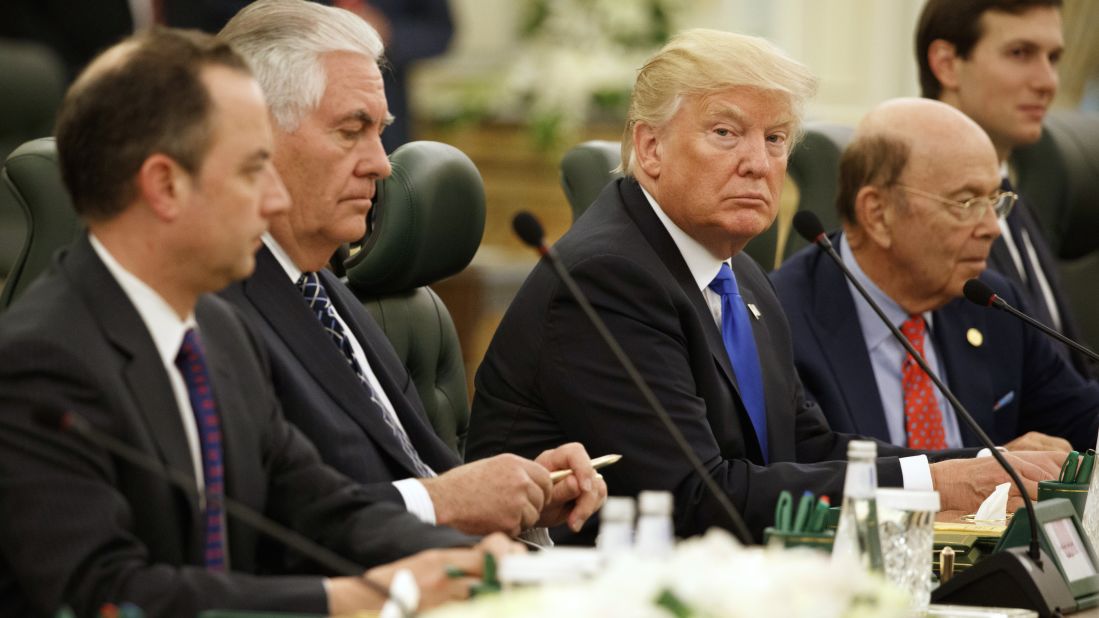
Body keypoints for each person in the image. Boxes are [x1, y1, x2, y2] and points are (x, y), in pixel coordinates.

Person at [466, 29, 1066, 543]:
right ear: (650, 148)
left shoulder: (738, 273)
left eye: (776, 138)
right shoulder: (607, 279)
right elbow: (698, 499)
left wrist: (984, 465)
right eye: (727, 133)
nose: (758, 161)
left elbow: (806, 445)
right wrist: (937, 484)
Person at [0, 28, 513, 617]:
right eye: (251, 172)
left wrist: (488, 568)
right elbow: (108, 595)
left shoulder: (219, 335)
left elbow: (325, 511)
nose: (274, 202)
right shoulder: (40, 360)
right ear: (165, 186)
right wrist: (351, 598)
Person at [216, 0, 606, 542]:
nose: (381, 163)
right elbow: (265, 524)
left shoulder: (327, 291)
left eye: (380, 131)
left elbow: (418, 475)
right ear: (255, 134)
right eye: (351, 130)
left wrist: (525, 489)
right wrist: (445, 502)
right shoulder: (214, 304)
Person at [771, 97, 1099, 455]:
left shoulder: (991, 302)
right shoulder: (783, 320)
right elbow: (821, 468)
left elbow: (1081, 419)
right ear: (878, 214)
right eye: (968, 203)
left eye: (995, 201)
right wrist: (980, 466)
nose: (992, 228)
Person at [916, 0, 1097, 378]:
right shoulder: (918, 221)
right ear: (947, 64)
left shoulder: (1016, 199)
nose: (1048, 82)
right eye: (1020, 53)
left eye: (1053, 58)